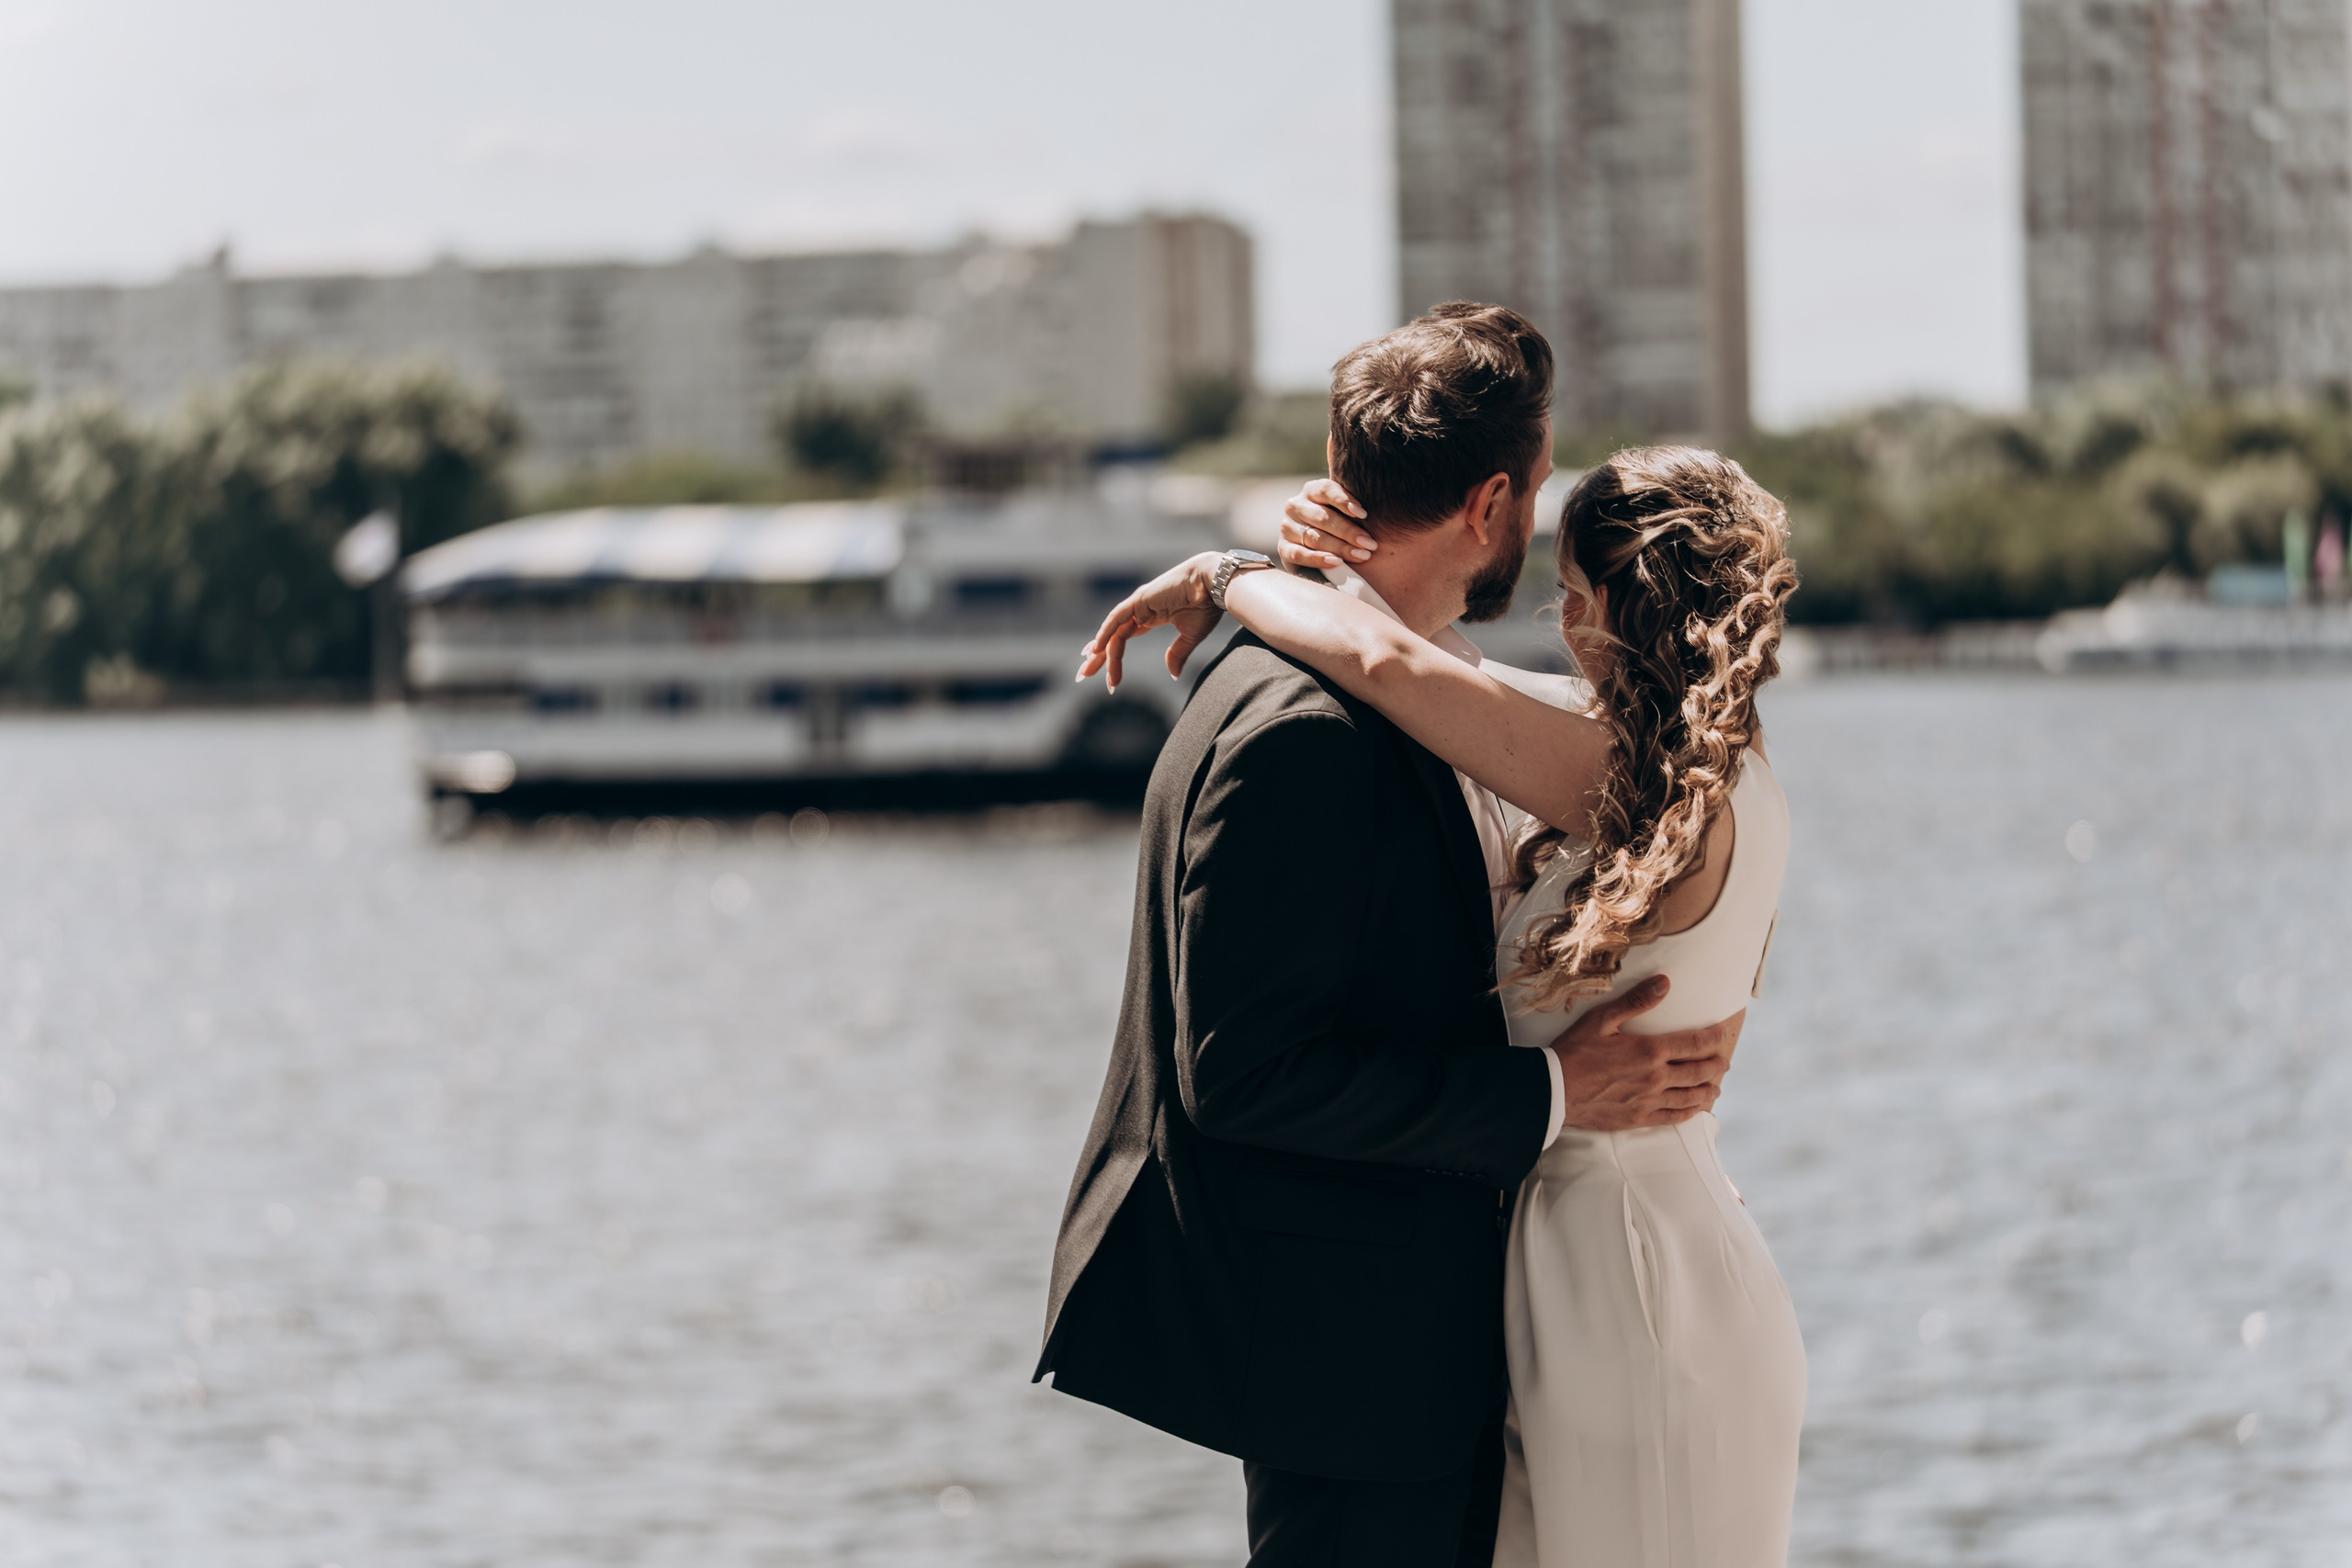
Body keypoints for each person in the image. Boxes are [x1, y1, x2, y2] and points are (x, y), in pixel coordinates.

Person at [1035, 301, 1750, 1568]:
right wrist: (1552, 1090)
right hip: (1356, 1364)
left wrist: (1232, 572)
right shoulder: (1310, 728)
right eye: (1531, 492)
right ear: (1490, 503)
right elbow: (1245, 1076)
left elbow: (1412, 667)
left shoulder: (1374, 684)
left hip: (1427, 1340)